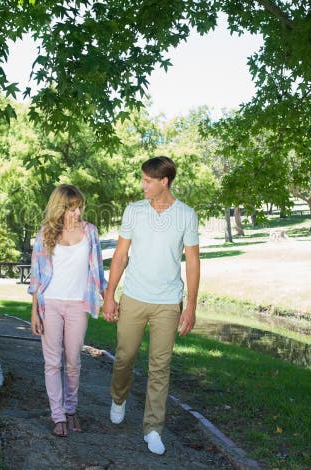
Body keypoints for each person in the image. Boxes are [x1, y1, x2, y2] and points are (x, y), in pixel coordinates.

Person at [102, 156, 200, 455]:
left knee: (160, 366)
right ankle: (119, 397)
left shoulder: (186, 214)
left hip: (168, 302)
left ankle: (153, 428)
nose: (142, 185)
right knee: (124, 357)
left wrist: (191, 306)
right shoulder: (133, 211)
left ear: (164, 182)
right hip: (133, 297)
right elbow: (120, 256)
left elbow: (193, 262)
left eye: (147, 180)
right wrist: (110, 294)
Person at [28, 184, 107, 437]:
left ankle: (71, 409)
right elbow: (36, 276)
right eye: (72, 209)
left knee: (73, 362)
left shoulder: (90, 232)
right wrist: (34, 312)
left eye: (80, 208)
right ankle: (58, 416)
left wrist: (110, 299)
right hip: (50, 303)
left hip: (78, 304)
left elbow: (97, 272)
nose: (78, 213)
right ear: (60, 208)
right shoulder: (45, 234)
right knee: (52, 362)